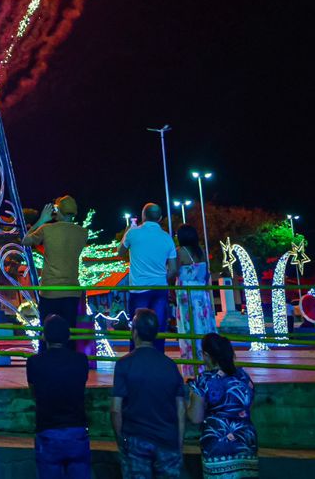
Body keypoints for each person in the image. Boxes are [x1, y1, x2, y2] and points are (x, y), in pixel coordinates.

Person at [112, 307, 187, 479]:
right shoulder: (170, 365)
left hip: (136, 440)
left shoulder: (124, 364)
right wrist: (179, 444)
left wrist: (121, 441)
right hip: (167, 440)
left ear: (135, 332)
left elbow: (115, 410)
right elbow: (180, 409)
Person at [26, 314, 92, 478]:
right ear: (68, 336)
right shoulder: (81, 360)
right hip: (76, 431)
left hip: (48, 432)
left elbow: (34, 393)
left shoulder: (34, 362)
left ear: (44, 337)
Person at [187, 333, 258, 477]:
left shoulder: (204, 381)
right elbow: (247, 407)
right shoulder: (244, 377)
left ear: (206, 355)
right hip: (246, 442)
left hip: (217, 446)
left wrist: (184, 406)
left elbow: (195, 417)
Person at [26, 197, 89, 356]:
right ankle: (69, 366)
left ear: (57, 211)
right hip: (72, 290)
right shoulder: (82, 233)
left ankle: (44, 365)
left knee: (45, 331)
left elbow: (25, 240)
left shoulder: (46, 229)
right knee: (69, 333)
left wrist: (42, 219)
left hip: (50, 289)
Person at [120, 205, 177, 353]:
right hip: (160, 288)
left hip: (138, 288)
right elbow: (173, 269)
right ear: (160, 218)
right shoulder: (167, 238)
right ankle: (157, 357)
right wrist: (163, 279)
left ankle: (135, 357)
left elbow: (120, 252)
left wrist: (127, 231)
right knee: (158, 327)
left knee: (137, 327)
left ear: (143, 216)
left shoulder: (133, 233)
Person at [173, 225, 217, 361]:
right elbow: (206, 274)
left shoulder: (180, 252)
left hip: (187, 295)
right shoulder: (201, 252)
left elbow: (173, 271)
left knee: (189, 328)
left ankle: (193, 363)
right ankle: (210, 359)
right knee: (204, 326)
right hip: (202, 296)